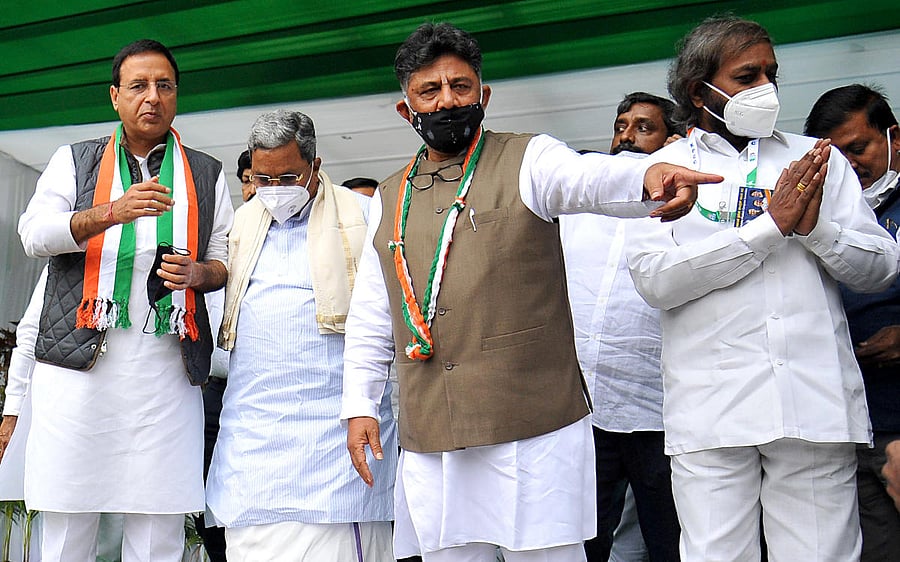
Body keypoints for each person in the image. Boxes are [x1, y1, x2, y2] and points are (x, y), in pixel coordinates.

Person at [339, 22, 720, 562]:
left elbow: (588, 178)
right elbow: (372, 316)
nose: (448, 100)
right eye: (430, 91)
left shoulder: (530, 158)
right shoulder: (388, 196)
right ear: (408, 109)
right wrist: (360, 405)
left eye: (461, 87)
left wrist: (646, 177)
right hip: (434, 431)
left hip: (533, 431)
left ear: (483, 95)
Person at [624, 16, 900, 561]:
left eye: (771, 73)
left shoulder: (814, 160)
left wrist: (815, 229)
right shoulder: (664, 167)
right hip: (712, 413)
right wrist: (769, 231)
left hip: (812, 404)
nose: (765, 89)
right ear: (698, 90)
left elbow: (881, 268)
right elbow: (656, 280)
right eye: (747, 75)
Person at [16, 39, 233, 561]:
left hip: (165, 374)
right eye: (138, 86)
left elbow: (225, 257)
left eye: (165, 86)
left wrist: (199, 273)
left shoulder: (206, 171)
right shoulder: (73, 160)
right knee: (69, 518)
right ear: (115, 96)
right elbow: (34, 235)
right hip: (78, 372)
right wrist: (110, 212)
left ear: (177, 94)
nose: (152, 97)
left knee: (158, 524)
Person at [206, 109, 396, 562]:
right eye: (262, 178)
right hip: (254, 438)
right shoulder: (239, 227)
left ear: (316, 164)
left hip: (333, 436)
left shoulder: (366, 217)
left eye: (287, 177)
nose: (274, 191)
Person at [561, 92, 682, 562]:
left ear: (672, 140)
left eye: (642, 127)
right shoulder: (581, 200)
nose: (625, 136)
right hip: (586, 409)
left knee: (668, 541)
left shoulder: (686, 210)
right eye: (620, 125)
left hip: (660, 412)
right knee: (583, 542)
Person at [804, 83, 900, 561]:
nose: (848, 166)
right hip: (841, 426)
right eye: (833, 157)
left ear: (894, 138)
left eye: (857, 148)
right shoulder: (809, 218)